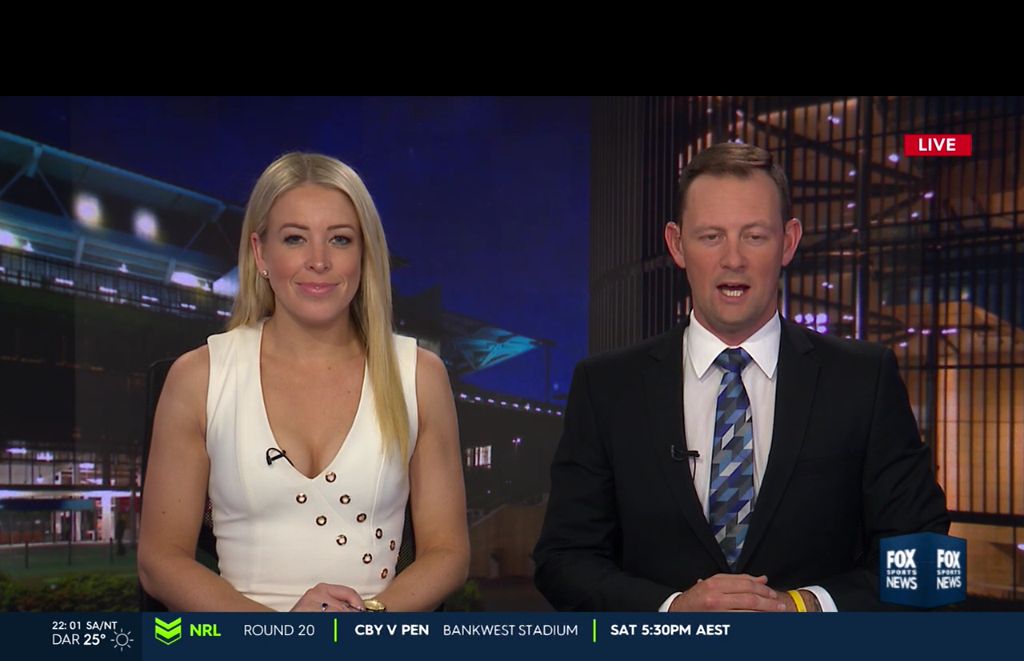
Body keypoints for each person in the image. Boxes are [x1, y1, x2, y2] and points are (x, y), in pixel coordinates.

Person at [534, 142, 949, 612]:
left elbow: (930, 560)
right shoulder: (608, 387)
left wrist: (805, 607)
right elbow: (563, 561)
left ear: (788, 242)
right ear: (677, 245)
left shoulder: (863, 380)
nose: (733, 259)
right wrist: (671, 611)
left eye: (754, 236)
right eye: (711, 236)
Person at [139, 152, 469, 612]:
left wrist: (368, 621)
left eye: (340, 239)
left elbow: (448, 554)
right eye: (295, 238)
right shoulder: (198, 377)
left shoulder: (420, 376)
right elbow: (160, 561)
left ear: (364, 254)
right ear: (261, 253)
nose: (319, 261)